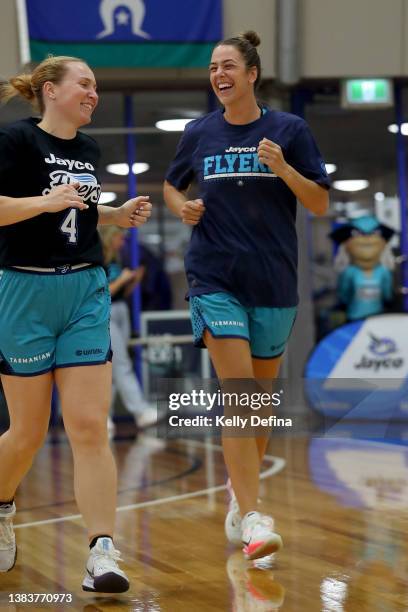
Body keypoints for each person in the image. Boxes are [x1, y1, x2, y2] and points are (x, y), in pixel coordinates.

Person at [164, 31, 330, 560]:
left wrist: (283, 168)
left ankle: (242, 504)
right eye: (213, 67)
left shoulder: (290, 129)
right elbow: (173, 185)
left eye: (229, 66)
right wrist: (180, 208)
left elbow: (321, 203)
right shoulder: (198, 132)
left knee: (257, 407)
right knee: (239, 397)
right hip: (215, 278)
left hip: (273, 282)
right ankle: (255, 515)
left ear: (252, 73)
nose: (219, 74)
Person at [0, 56, 152, 592]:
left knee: (89, 426)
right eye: (84, 84)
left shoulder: (88, 150)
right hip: (23, 290)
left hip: (86, 286)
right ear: (50, 91)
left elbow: (77, 212)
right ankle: (1, 508)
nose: (93, 92)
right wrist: (45, 200)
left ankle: (102, 553)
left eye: (96, 85)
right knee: (28, 433)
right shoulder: (15, 140)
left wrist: (114, 214)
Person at [99, 226, 157, 430]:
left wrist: (134, 280)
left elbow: (123, 291)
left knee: (114, 366)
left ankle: (104, 416)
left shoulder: (117, 258)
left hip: (121, 309)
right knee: (121, 363)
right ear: (110, 237)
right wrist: (122, 279)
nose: (122, 242)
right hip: (106, 313)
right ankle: (140, 411)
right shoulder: (99, 259)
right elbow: (102, 293)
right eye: (119, 238)